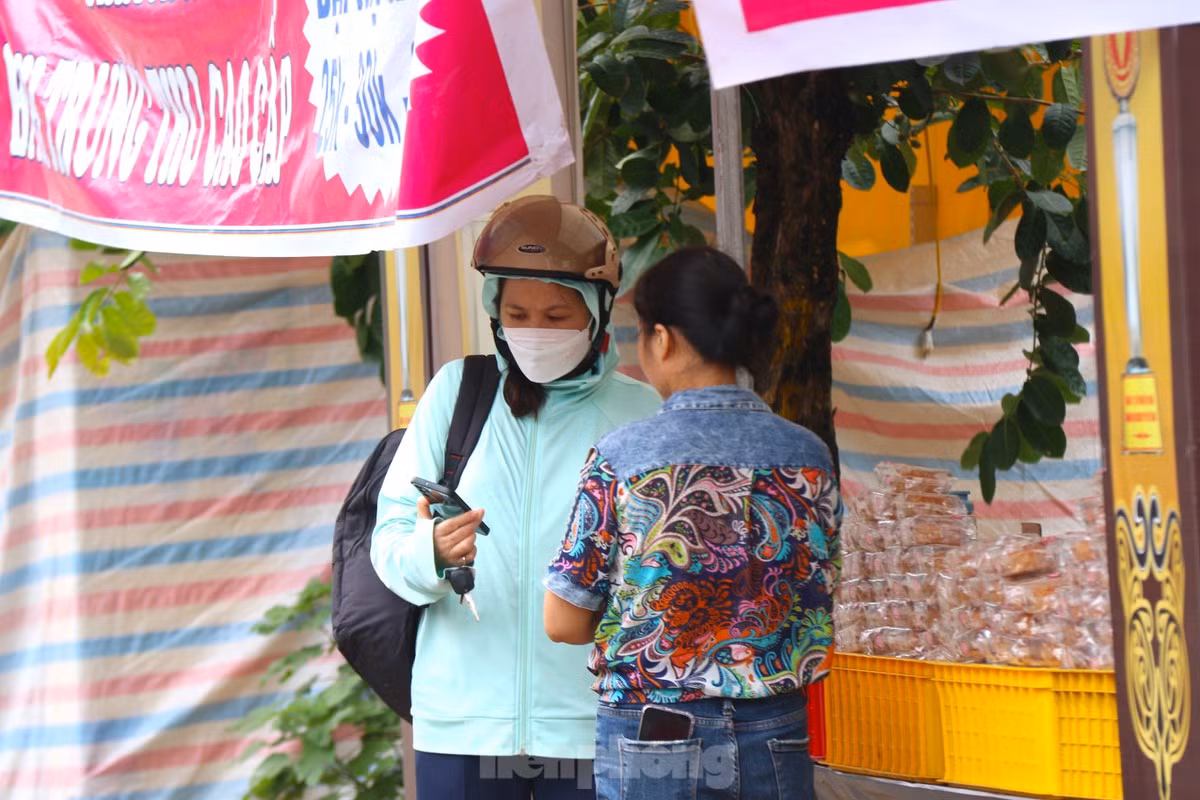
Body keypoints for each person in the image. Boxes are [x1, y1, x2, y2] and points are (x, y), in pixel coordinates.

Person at [370, 195, 662, 799]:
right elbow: (390, 539)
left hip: (596, 723)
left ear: (598, 314)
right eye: (519, 313)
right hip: (462, 723)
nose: (536, 331)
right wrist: (432, 553)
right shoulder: (457, 393)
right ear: (495, 312)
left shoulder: (640, 413)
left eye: (557, 316)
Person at [542, 246, 842, 800]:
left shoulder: (622, 458)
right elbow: (815, 594)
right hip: (776, 730)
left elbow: (563, 621)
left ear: (663, 338)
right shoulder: (809, 457)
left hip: (652, 731)